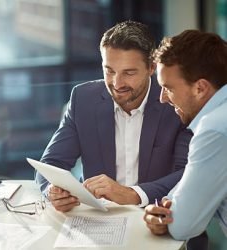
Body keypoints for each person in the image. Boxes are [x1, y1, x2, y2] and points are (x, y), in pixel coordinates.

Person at [35, 21, 192, 213]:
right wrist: (53, 191)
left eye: (129, 73)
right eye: (109, 71)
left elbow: (189, 173)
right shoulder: (83, 99)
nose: (117, 84)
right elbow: (51, 164)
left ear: (151, 68)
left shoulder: (175, 102)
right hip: (99, 219)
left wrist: (133, 194)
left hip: (159, 215)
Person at [143, 29, 227, 248]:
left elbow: (182, 226)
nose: (162, 99)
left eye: (168, 88)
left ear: (200, 88)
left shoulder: (215, 129)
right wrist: (166, 207)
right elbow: (191, 184)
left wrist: (165, 215)